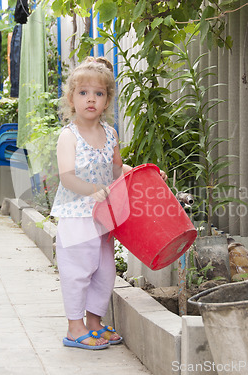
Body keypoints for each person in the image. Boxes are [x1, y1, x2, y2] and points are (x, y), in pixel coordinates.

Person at [51, 56, 166, 350]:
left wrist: (146, 174)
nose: (91, 99)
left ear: (107, 99)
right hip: (77, 216)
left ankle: (94, 321)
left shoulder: (110, 134)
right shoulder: (69, 136)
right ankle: (74, 327)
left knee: (104, 270)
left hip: (103, 216)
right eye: (83, 93)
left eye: (98, 94)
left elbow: (117, 171)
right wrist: (92, 190)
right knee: (79, 270)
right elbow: (67, 177)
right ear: (71, 98)